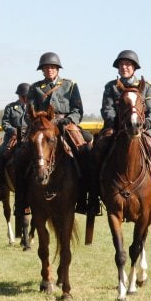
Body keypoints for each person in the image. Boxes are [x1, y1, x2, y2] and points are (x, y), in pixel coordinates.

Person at [97, 50, 151, 212]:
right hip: (117, 128)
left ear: (134, 68)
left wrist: (146, 123)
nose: (124, 67)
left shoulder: (147, 87)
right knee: (97, 150)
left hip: (141, 128)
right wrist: (116, 123)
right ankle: (94, 194)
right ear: (117, 68)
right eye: (121, 65)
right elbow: (107, 109)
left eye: (128, 64)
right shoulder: (110, 87)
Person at [20, 52, 91, 216]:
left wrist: (69, 120)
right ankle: (22, 201)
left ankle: (84, 198)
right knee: (20, 155)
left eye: (52, 67)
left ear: (58, 69)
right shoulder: (35, 88)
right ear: (42, 70)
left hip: (65, 125)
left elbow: (77, 110)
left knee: (85, 152)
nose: (49, 70)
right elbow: (28, 112)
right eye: (46, 68)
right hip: (42, 126)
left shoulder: (70, 85)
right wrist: (38, 122)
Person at [0, 83, 29, 153]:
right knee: (3, 155)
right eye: (23, 96)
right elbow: (5, 123)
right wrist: (13, 130)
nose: (25, 98)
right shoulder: (10, 107)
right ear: (19, 96)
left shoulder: (34, 108)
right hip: (12, 138)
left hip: (28, 137)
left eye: (27, 96)